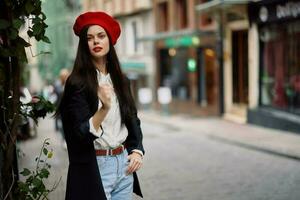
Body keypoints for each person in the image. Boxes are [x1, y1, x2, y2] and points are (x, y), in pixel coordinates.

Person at [56, 11, 144, 200]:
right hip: (95, 167)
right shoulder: (77, 83)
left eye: (101, 36)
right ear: (84, 44)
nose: (96, 42)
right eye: (89, 38)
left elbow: (132, 118)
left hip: (124, 165)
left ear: (109, 40)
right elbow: (79, 134)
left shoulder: (121, 80)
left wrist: (137, 150)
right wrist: (103, 109)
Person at [54, 68, 69, 148]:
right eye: (63, 76)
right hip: (62, 109)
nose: (65, 77)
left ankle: (67, 140)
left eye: (66, 76)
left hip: (70, 109)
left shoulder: (70, 84)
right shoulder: (58, 85)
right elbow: (59, 95)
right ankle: (64, 140)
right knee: (63, 126)